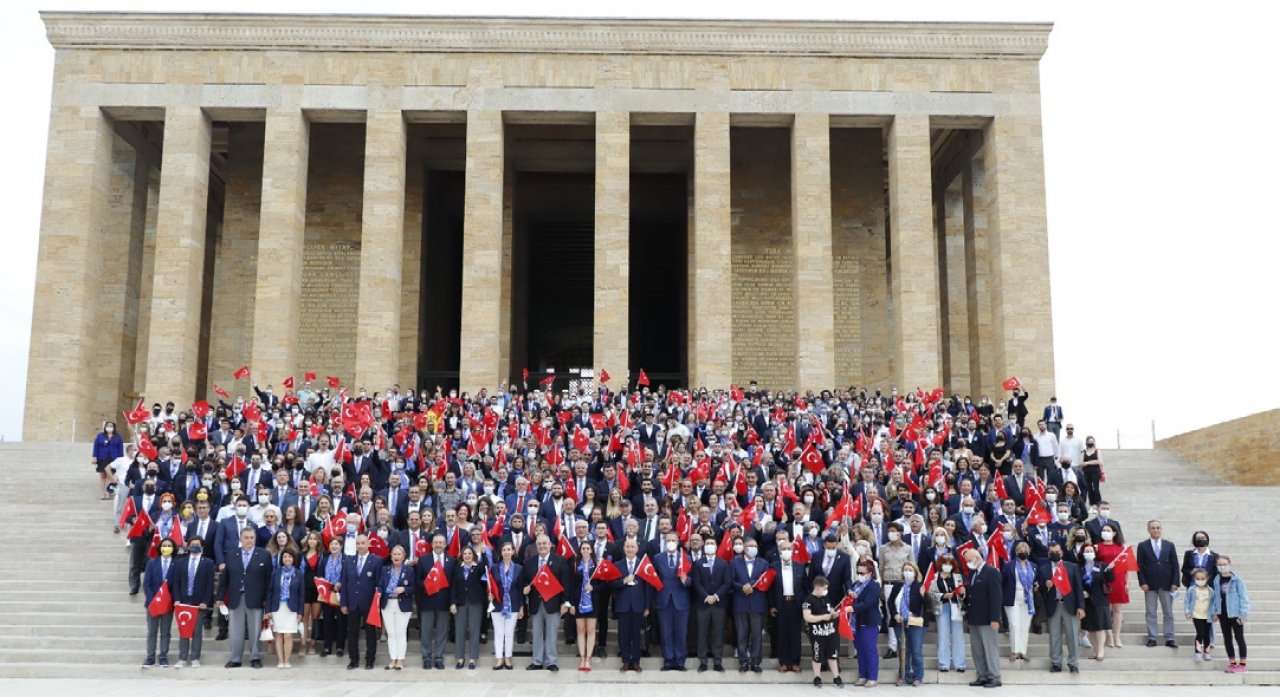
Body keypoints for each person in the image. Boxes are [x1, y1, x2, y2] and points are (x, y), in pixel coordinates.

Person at [223, 525, 273, 668]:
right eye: (246, 538)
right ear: (240, 538)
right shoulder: (232, 554)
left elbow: (268, 579)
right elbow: (225, 578)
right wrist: (220, 597)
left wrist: (267, 600)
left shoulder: (264, 554)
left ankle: (255, 657)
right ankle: (235, 658)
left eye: (252, 538)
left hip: (256, 598)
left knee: (255, 630)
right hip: (236, 597)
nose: (249, 540)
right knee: (235, 630)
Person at [520, 534, 570, 671]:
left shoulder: (560, 561)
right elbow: (525, 580)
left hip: (553, 604)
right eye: (539, 544)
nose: (542, 546)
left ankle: (551, 662)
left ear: (550, 545)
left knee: (552, 634)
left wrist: (565, 603)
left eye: (544, 543)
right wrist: (525, 587)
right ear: (536, 546)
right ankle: (537, 661)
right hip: (536, 603)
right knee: (536, 633)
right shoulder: (530, 562)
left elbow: (566, 583)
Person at [1037, 542, 1085, 673]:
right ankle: (1056, 662)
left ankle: (1073, 663)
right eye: (1051, 552)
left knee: (1072, 636)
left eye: (1057, 551)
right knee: (1054, 636)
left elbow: (1078, 588)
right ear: (1048, 554)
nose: (1054, 554)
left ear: (1062, 552)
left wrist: (1081, 606)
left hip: (1070, 605)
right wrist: (1046, 586)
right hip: (1054, 605)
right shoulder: (1044, 569)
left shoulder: (1072, 567)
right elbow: (1040, 589)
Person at [342, 532, 385, 670]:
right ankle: (353, 660)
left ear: (368, 544)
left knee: (370, 633)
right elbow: (344, 583)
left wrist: (377, 603)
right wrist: (343, 603)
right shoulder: (349, 561)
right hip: (353, 602)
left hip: (369, 603)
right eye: (358, 543)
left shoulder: (377, 561)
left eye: (363, 543)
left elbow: (379, 583)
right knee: (352, 632)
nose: (360, 546)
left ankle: (370, 660)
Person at [962, 548, 1002, 688]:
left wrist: (995, 618)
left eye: (969, 560)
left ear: (977, 558)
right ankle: (982, 675)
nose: (967, 563)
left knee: (990, 648)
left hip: (987, 618)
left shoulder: (991, 572)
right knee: (977, 649)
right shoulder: (973, 573)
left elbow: (996, 597)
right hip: (974, 618)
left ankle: (994, 676)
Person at [173, 535, 215, 668]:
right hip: (183, 601)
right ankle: (182, 658)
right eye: (192, 544)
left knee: (197, 632)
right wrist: (177, 599)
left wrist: (205, 601)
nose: (195, 546)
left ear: (202, 546)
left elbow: (210, 585)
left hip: (199, 602)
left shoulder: (208, 563)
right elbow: (176, 582)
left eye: (198, 544)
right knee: (184, 630)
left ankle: (195, 657)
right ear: (188, 546)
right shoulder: (180, 562)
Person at [1136, 519, 1179, 648]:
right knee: (1151, 612)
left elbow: (1175, 565)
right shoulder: (1143, 545)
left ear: (1161, 529)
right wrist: (1142, 582)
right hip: (1149, 584)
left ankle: (1170, 637)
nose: (1156, 530)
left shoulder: (1169, 545)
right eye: (1153, 528)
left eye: (1158, 528)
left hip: (1166, 583)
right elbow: (1140, 566)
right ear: (1148, 530)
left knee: (1168, 612)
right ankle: (1152, 637)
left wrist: (1175, 582)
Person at [612, 538, 653, 672]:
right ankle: (625, 661)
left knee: (636, 635)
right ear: (624, 548)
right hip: (623, 605)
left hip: (638, 605)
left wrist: (647, 606)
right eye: (627, 547)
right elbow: (612, 584)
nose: (630, 549)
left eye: (632, 547)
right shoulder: (617, 564)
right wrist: (623, 581)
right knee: (623, 635)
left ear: (637, 548)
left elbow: (648, 586)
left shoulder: (643, 564)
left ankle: (635, 661)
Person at [416, 532, 455, 669]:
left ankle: (439, 657)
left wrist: (452, 602)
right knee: (426, 631)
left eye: (441, 542)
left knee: (442, 631)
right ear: (432, 545)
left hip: (444, 602)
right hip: (427, 601)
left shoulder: (452, 561)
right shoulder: (423, 560)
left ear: (445, 545)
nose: (438, 545)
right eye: (436, 542)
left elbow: (453, 583)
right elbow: (418, 580)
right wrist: (428, 587)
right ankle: (426, 658)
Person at [654, 531, 692, 671]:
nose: (670, 542)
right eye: (668, 540)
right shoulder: (658, 558)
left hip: (681, 601)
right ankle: (668, 660)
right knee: (666, 632)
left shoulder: (686, 558)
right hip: (663, 600)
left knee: (681, 633)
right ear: (664, 542)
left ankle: (680, 662)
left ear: (677, 542)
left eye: (673, 540)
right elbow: (655, 578)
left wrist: (685, 581)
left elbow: (692, 580)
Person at [693, 534, 732, 672]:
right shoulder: (698, 563)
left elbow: (727, 583)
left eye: (712, 543)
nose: (710, 545)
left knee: (718, 633)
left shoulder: (723, 563)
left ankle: (717, 662)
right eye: (707, 543)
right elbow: (696, 583)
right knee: (702, 633)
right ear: (704, 545)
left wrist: (715, 596)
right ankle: (703, 662)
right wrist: (706, 596)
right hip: (703, 604)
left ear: (716, 546)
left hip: (719, 604)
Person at [731, 537, 769, 673]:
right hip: (740, 602)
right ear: (745, 548)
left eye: (755, 546)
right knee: (742, 634)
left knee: (756, 634)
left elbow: (765, 578)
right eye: (751, 546)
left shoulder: (763, 563)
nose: (754, 548)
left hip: (757, 602)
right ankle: (743, 662)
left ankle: (755, 662)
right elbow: (731, 580)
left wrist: (752, 585)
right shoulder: (735, 562)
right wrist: (742, 587)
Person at [770, 538, 807, 673]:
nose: (786, 551)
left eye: (788, 549)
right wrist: (772, 605)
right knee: (782, 633)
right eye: (783, 549)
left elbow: (805, 587)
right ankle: (784, 662)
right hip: (781, 603)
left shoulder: (799, 566)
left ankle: (795, 662)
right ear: (779, 551)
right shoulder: (773, 566)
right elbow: (771, 588)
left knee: (795, 634)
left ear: (792, 551)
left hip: (795, 604)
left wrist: (805, 605)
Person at [142, 537, 178, 668]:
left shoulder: (176, 563)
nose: (166, 547)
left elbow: (176, 585)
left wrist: (170, 599)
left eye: (169, 545)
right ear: (160, 547)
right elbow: (147, 584)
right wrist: (154, 600)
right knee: (152, 631)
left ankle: (163, 656)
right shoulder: (152, 563)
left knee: (165, 631)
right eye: (164, 545)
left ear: (173, 548)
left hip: (168, 604)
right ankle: (150, 656)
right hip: (153, 604)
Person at [888, 561, 926, 686]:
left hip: (915, 622)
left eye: (910, 570)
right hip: (899, 622)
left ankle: (917, 676)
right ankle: (904, 675)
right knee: (904, 650)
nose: (907, 572)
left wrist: (923, 595)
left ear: (915, 573)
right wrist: (895, 614)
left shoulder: (919, 586)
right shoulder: (898, 586)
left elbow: (928, 605)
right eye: (905, 569)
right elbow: (890, 602)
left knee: (916, 650)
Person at [489, 541, 525, 670]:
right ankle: (499, 658)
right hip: (498, 603)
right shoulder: (494, 567)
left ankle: (508, 658)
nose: (506, 552)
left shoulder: (519, 568)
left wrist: (521, 606)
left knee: (509, 633)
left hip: (513, 604)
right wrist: (490, 594)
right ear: (501, 552)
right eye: (504, 550)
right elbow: (491, 586)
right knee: (498, 632)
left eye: (508, 549)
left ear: (513, 551)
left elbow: (521, 589)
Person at [802, 575, 843, 688]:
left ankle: (836, 677)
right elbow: (807, 617)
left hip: (831, 632)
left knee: (833, 655)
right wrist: (822, 617)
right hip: (817, 634)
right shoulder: (808, 600)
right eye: (824, 588)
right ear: (818, 587)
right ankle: (817, 677)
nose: (826, 591)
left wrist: (835, 613)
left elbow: (830, 611)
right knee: (817, 656)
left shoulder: (826, 598)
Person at [929, 553, 967, 671]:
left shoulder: (957, 577)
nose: (948, 565)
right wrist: (943, 596)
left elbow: (962, 594)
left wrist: (961, 594)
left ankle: (960, 664)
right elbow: (930, 594)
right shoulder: (934, 577)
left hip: (956, 607)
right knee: (943, 635)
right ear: (941, 563)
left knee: (958, 636)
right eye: (945, 563)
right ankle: (943, 663)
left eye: (950, 563)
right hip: (942, 607)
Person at [1094, 522, 1130, 648]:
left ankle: (1116, 636)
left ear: (1114, 533)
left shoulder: (1122, 547)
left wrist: (1128, 582)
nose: (1105, 532)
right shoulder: (1097, 547)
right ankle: (1108, 636)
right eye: (1104, 530)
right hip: (1103, 580)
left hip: (1119, 579)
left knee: (1117, 609)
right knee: (1105, 609)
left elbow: (1127, 566)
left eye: (1108, 530)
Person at [1213, 556, 1251, 673]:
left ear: (1230, 564)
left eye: (1224, 564)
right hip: (1223, 614)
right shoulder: (1216, 580)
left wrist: (1243, 614)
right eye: (1220, 564)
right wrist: (1215, 612)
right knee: (1227, 638)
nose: (1222, 566)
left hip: (1235, 614)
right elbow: (1215, 597)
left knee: (1239, 638)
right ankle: (1232, 663)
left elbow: (1244, 597)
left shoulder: (1237, 580)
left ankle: (1243, 664)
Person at [266, 548, 303, 668]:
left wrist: (300, 612)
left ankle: (287, 661)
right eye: (285, 557)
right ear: (282, 559)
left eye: (290, 557)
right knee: (279, 635)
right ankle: (280, 661)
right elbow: (270, 592)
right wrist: (268, 610)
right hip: (277, 607)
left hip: (291, 608)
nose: (287, 559)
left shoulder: (299, 573)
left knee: (288, 635)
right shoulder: (276, 573)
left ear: (294, 559)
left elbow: (302, 594)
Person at [379, 545, 414, 670]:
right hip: (387, 603)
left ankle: (401, 659)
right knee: (391, 633)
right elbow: (380, 585)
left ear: (404, 556)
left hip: (402, 604)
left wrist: (404, 589)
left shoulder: (409, 570)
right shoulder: (385, 569)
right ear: (391, 556)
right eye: (394, 554)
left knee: (400, 632)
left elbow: (414, 588)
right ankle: (393, 659)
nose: (396, 557)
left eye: (399, 554)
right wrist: (378, 592)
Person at [451, 546, 487, 670]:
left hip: (475, 602)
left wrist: (484, 553)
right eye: (465, 553)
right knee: (459, 630)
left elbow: (487, 569)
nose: (467, 555)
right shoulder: (457, 569)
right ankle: (460, 658)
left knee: (474, 630)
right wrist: (452, 603)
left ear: (473, 555)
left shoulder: (478, 568)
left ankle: (472, 658)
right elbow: (453, 587)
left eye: (469, 553)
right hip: (460, 603)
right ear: (461, 556)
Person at [848, 558, 881, 687]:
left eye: (862, 573)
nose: (860, 576)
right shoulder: (856, 584)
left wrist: (852, 608)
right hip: (856, 622)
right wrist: (849, 593)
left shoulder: (874, 586)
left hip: (869, 621)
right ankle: (863, 675)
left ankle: (872, 677)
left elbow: (868, 603)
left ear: (870, 573)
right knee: (860, 649)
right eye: (858, 573)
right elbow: (850, 593)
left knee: (869, 649)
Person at [1078, 543, 1113, 661]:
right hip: (1087, 601)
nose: (1089, 553)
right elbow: (1077, 583)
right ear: (1083, 553)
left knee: (1100, 626)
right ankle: (1095, 649)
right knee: (1091, 627)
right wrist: (1082, 591)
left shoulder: (1102, 565)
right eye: (1086, 551)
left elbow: (1111, 579)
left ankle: (1101, 650)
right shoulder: (1080, 568)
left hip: (1100, 599)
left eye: (1091, 551)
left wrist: (1110, 570)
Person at [570, 540, 601, 671]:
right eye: (583, 548)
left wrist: (594, 587)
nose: (586, 550)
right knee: (581, 630)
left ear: (592, 550)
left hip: (593, 601)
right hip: (578, 601)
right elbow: (571, 586)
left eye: (588, 548)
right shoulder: (575, 564)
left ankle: (588, 659)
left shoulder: (597, 565)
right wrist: (570, 604)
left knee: (591, 630)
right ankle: (582, 658)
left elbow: (603, 584)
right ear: (580, 550)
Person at [318, 536, 347, 657]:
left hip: (341, 593)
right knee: (327, 620)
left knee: (341, 621)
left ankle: (340, 647)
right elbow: (319, 573)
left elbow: (348, 576)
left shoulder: (346, 559)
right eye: (331, 544)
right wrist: (323, 582)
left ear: (341, 546)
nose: (334, 546)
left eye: (336, 544)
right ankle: (327, 647)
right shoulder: (324, 559)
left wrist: (341, 584)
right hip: (327, 593)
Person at [1184, 568, 1214, 662]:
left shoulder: (1211, 591)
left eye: (1202, 578)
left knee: (1207, 634)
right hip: (1197, 615)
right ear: (1194, 578)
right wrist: (1187, 611)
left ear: (1207, 578)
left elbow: (1214, 603)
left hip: (1208, 615)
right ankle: (1197, 652)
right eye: (1198, 578)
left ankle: (1207, 652)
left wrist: (1216, 613)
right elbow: (1187, 601)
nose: (1200, 581)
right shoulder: (1192, 590)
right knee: (1200, 633)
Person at [93, 421, 124, 500]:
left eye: (111, 426)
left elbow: (120, 449)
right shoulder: (100, 436)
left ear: (114, 427)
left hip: (114, 458)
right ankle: (102, 493)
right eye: (108, 426)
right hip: (102, 457)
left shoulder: (118, 436)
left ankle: (107, 492)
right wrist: (94, 456)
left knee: (109, 475)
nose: (109, 427)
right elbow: (96, 446)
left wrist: (121, 459)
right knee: (102, 475)